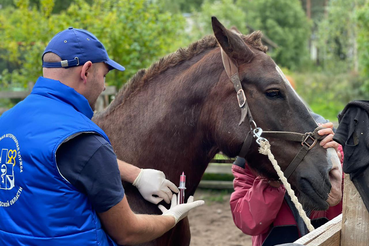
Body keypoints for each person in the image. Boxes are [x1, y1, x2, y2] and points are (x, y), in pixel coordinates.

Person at [0, 27, 204, 246]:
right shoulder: (85, 138)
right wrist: (170, 218)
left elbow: (58, 159)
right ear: (86, 71)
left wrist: (135, 174)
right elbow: (128, 232)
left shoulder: (6, 123)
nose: (104, 85)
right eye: (104, 75)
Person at [230, 113, 344, 246]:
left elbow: (353, 208)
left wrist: (335, 164)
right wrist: (272, 179)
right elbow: (248, 222)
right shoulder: (250, 162)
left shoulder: (336, 149)